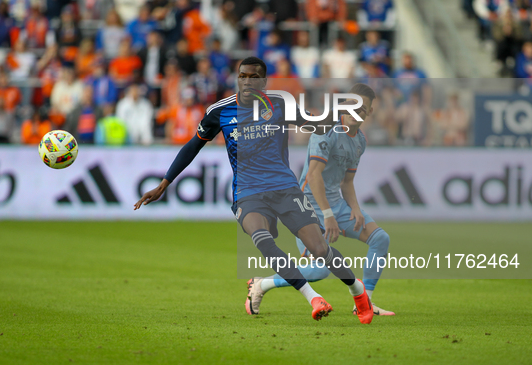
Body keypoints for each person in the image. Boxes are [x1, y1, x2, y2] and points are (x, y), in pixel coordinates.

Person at [135, 57, 374, 323]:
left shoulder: (280, 103)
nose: (248, 82)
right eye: (243, 76)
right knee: (263, 239)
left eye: (254, 77)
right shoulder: (220, 111)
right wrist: (165, 182)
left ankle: (358, 291)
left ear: (264, 81)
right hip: (247, 193)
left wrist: (340, 115)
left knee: (319, 249)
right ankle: (313, 298)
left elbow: (312, 123)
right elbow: (193, 146)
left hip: (285, 188)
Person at [246, 83, 395, 317]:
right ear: (345, 105)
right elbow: (314, 175)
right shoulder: (325, 130)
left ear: (369, 113)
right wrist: (327, 215)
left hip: (335, 204)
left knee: (380, 239)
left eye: (364, 109)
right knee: (318, 270)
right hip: (308, 208)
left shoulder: (360, 141)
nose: (358, 112)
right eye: (354, 106)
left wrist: (354, 208)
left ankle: (363, 303)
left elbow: (347, 182)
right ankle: (261, 284)